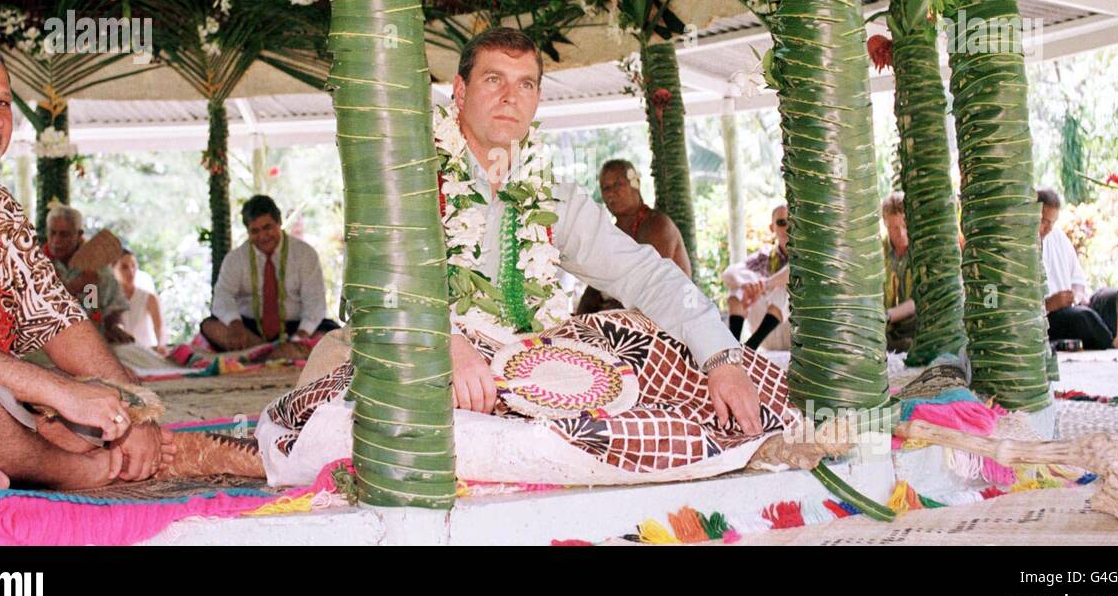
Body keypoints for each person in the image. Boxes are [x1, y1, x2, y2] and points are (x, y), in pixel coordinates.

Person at [259, 27, 820, 485]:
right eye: (494, 80)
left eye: (526, 84)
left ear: (537, 99)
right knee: (352, 416)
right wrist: (445, 341)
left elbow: (642, 272)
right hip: (427, 354)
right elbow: (367, 291)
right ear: (459, 91)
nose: (510, 96)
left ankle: (741, 433)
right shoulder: (411, 174)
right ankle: (640, 451)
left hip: (530, 364)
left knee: (652, 337)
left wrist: (722, 359)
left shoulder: (549, 194)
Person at [0, 38, 172, 490]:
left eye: (2, 102)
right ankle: (82, 474)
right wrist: (60, 393)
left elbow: (58, 319)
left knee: (93, 422)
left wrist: (133, 409)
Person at [200, 195, 338, 358]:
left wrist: (301, 335)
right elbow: (222, 296)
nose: (263, 236)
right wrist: (235, 324)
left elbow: (315, 302)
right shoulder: (235, 259)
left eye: (268, 227)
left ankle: (263, 353)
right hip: (248, 330)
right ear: (247, 231)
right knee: (209, 326)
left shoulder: (305, 254)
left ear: (279, 222)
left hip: (295, 327)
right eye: (255, 231)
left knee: (333, 335)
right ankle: (276, 353)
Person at [575, 158, 690, 314]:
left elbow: (652, 285)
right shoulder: (612, 232)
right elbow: (596, 286)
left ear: (635, 184)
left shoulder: (657, 224)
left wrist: (614, 312)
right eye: (605, 187)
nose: (611, 192)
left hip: (668, 318)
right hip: (626, 318)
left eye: (618, 184)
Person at [1039, 188, 1118, 349]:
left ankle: (1112, 345)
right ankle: (1111, 349)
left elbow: (1078, 281)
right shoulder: (1018, 246)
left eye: (1053, 222)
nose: (1048, 229)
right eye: (1043, 221)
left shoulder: (1057, 236)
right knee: (1083, 317)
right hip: (1046, 318)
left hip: (1073, 307)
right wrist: (1048, 304)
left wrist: (1076, 297)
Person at [45, 203, 133, 344]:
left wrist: (116, 327)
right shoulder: (36, 263)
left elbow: (113, 310)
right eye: (52, 233)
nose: (56, 241)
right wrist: (73, 287)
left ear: (79, 235)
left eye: (64, 235)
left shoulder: (98, 268)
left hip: (90, 345)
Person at [722, 203, 791, 351]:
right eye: (781, 223)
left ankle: (749, 349)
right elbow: (729, 274)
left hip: (794, 333)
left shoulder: (806, 255)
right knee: (736, 291)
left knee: (787, 287)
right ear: (772, 228)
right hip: (768, 335)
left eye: (792, 222)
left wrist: (765, 285)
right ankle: (732, 347)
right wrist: (748, 286)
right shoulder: (765, 256)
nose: (788, 228)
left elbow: (792, 271)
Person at [881, 191, 916, 354]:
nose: (901, 233)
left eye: (905, 225)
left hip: (913, 322)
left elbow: (920, 300)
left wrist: (887, 316)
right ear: (886, 224)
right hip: (884, 326)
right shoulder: (877, 252)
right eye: (895, 228)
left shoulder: (921, 251)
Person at [112, 250, 167, 356]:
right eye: (124, 267)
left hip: (147, 354)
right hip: (122, 356)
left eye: (133, 265)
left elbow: (159, 328)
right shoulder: (109, 299)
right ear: (113, 270)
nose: (131, 271)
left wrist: (160, 345)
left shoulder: (148, 297)